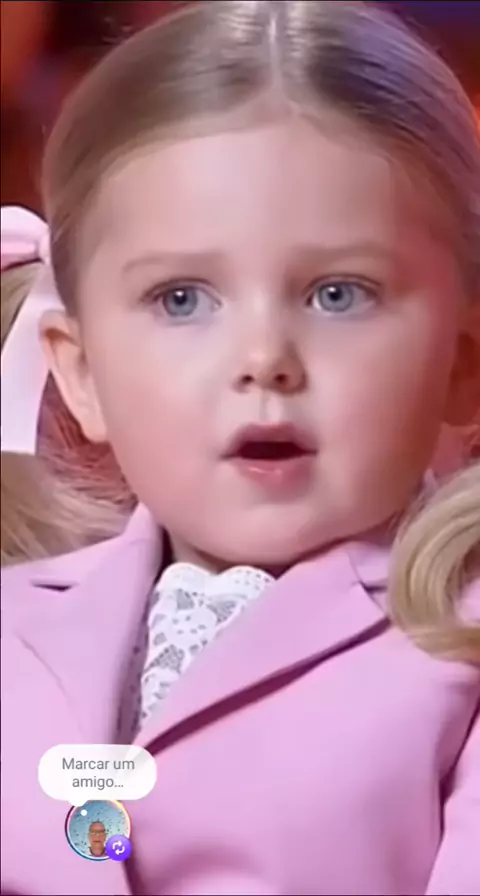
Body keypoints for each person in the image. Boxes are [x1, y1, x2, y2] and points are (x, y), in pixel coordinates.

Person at [1, 2, 479, 894]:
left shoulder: (460, 644)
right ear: (82, 373)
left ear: (463, 363)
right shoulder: (13, 625)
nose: (263, 358)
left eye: (338, 294)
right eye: (182, 299)